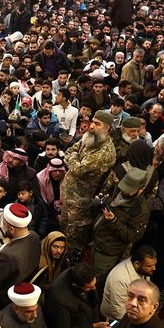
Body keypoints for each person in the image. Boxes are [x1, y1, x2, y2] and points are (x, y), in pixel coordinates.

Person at [61, 110, 116, 263]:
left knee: (74, 241)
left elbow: (78, 170)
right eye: (92, 122)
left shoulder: (104, 152)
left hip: (82, 205)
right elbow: (71, 149)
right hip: (70, 198)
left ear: (108, 128)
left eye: (97, 124)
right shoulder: (90, 138)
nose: (91, 126)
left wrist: (73, 160)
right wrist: (75, 159)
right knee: (64, 231)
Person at [92, 167, 150, 281]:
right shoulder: (117, 189)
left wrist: (113, 221)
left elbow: (133, 236)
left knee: (98, 281)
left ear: (141, 189)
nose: (124, 191)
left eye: (129, 189)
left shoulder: (141, 211)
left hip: (109, 252)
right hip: (96, 241)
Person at [101, 245, 157, 321]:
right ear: (137, 264)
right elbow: (118, 312)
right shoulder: (120, 279)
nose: (154, 268)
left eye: (154, 264)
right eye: (149, 266)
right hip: (116, 319)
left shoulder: (142, 269)